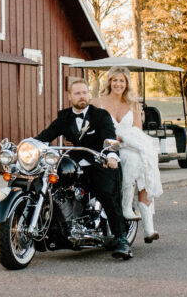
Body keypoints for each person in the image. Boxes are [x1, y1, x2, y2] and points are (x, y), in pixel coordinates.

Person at [36, 77, 132, 260]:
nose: (82, 96)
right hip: (74, 166)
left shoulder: (100, 115)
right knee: (52, 187)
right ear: (70, 97)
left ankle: (121, 239)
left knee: (105, 193)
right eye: (77, 93)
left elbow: (109, 137)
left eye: (85, 92)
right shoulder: (64, 117)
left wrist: (111, 155)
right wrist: (28, 146)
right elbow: (45, 136)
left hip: (99, 163)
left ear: (89, 95)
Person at [93, 66, 163, 243]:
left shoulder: (133, 105)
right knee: (134, 159)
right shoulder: (97, 102)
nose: (118, 84)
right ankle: (127, 209)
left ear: (127, 83)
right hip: (108, 146)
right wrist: (116, 139)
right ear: (109, 82)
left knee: (145, 162)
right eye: (115, 80)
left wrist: (125, 139)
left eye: (122, 80)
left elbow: (137, 130)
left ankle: (148, 229)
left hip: (129, 144)